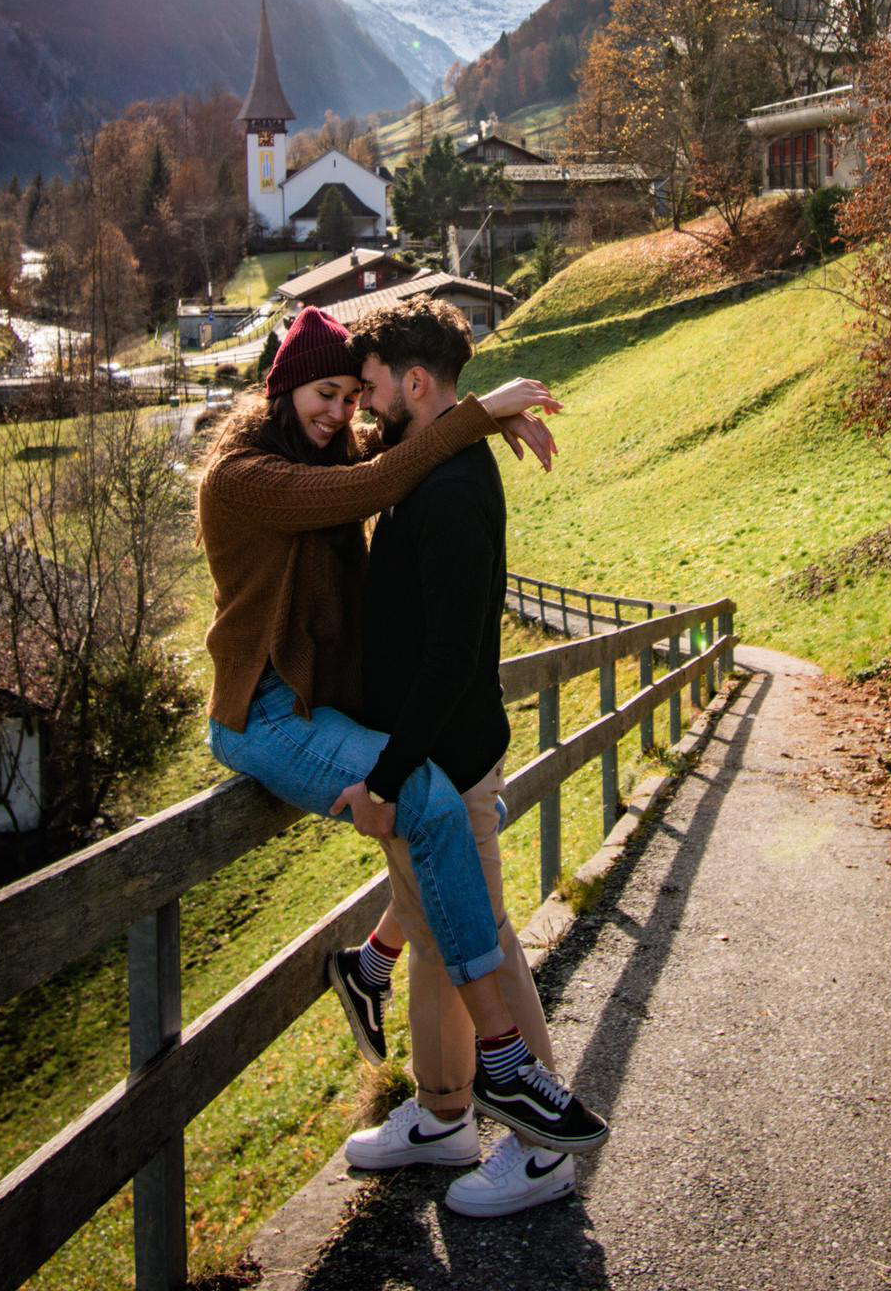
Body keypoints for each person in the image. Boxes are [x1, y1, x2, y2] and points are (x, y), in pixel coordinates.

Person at [197, 303, 605, 1160]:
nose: (342, 412)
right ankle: (484, 1075)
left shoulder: (336, 453)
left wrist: (475, 419)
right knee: (426, 819)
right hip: (266, 714)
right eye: (325, 392)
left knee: (443, 901)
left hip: (338, 717)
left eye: (352, 394)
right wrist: (482, 413)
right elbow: (378, 479)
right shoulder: (243, 477)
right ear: (282, 388)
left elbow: (398, 450)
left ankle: (455, 1095)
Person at [333, 294, 606, 1219]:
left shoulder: (448, 488)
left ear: (415, 385)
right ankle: (445, 1112)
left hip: (442, 757)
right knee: (446, 938)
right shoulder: (436, 454)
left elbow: (454, 652)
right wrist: (485, 409)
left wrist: (385, 770)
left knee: (481, 944)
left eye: (372, 389)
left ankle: (541, 1145)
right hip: (429, 756)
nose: (365, 407)